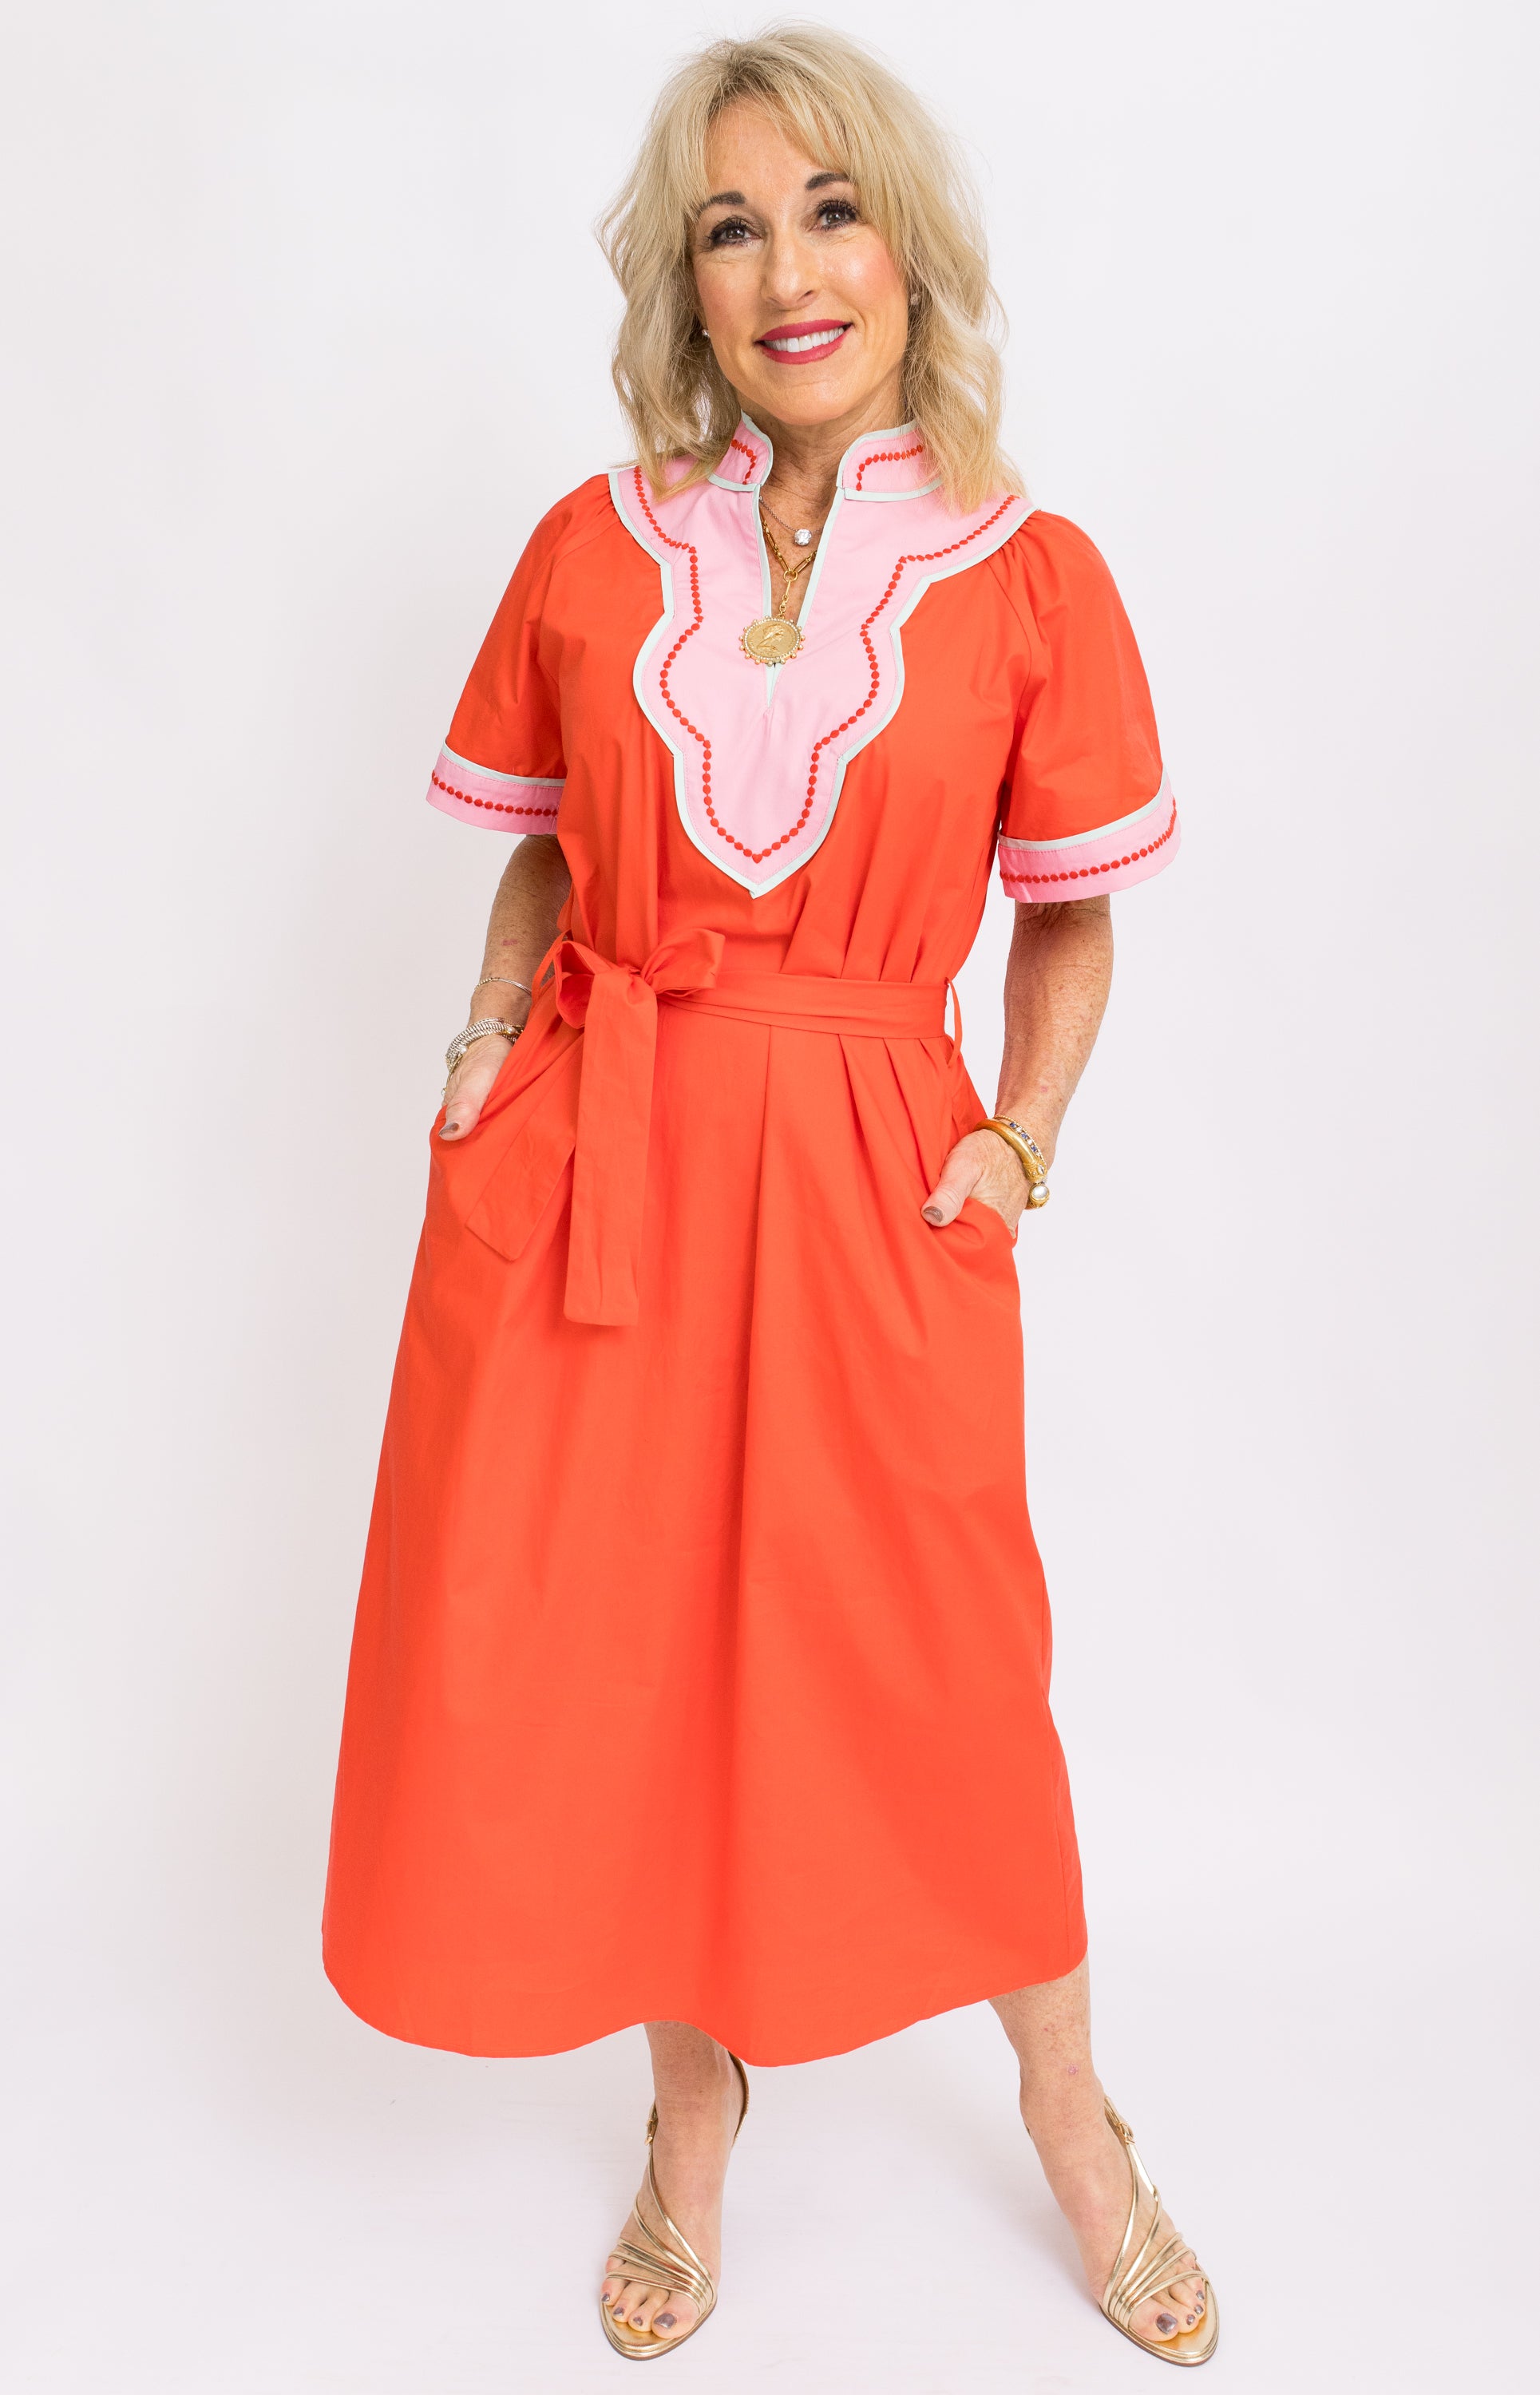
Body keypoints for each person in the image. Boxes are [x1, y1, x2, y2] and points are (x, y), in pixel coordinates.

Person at [323, 24, 1214, 2369]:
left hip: (871, 1178)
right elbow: (538, 855)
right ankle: (690, 2121)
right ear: (686, 285)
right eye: (733, 227)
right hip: (609, 1165)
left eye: (829, 212)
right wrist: (481, 1060)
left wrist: (1013, 1145)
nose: (788, 271)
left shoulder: (1029, 576)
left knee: (944, 1668)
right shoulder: (594, 548)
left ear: (908, 250)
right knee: (645, 1659)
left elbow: (1070, 914)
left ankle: (1073, 2114)